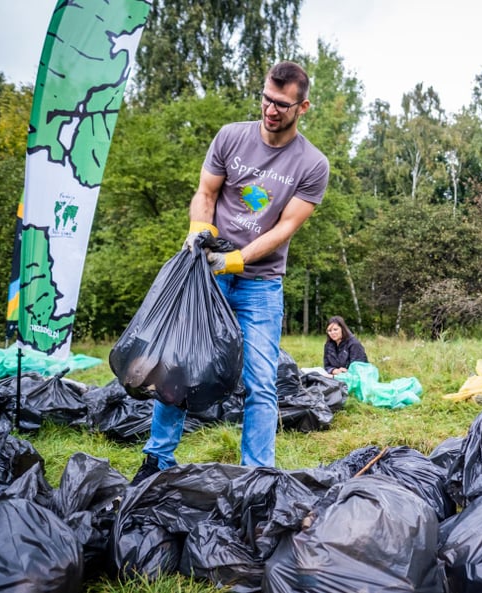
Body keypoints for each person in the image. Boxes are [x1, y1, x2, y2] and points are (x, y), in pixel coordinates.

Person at [132, 62, 330, 484]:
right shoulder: (230, 136)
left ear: (303, 106)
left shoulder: (312, 164)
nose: (270, 110)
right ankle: (157, 460)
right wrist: (199, 231)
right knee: (178, 367)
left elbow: (285, 227)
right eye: (266, 99)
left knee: (261, 383)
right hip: (209, 278)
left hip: (261, 284)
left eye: (282, 104)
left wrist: (237, 259)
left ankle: (256, 477)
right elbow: (206, 192)